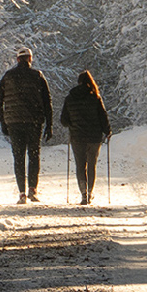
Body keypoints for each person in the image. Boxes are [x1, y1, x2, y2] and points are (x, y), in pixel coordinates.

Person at [0, 47, 52, 204]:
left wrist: (3, 121)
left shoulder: (7, 77)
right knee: (34, 155)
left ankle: (21, 193)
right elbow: (47, 102)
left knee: (18, 157)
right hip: (34, 122)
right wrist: (49, 124)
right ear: (30, 59)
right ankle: (32, 189)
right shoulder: (37, 76)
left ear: (18, 59)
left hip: (14, 123)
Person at [59, 69, 110, 205]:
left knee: (80, 166)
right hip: (94, 137)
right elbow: (103, 116)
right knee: (91, 165)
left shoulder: (70, 98)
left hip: (77, 137)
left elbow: (63, 120)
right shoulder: (95, 97)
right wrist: (108, 131)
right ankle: (90, 192)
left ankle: (83, 193)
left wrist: (72, 124)